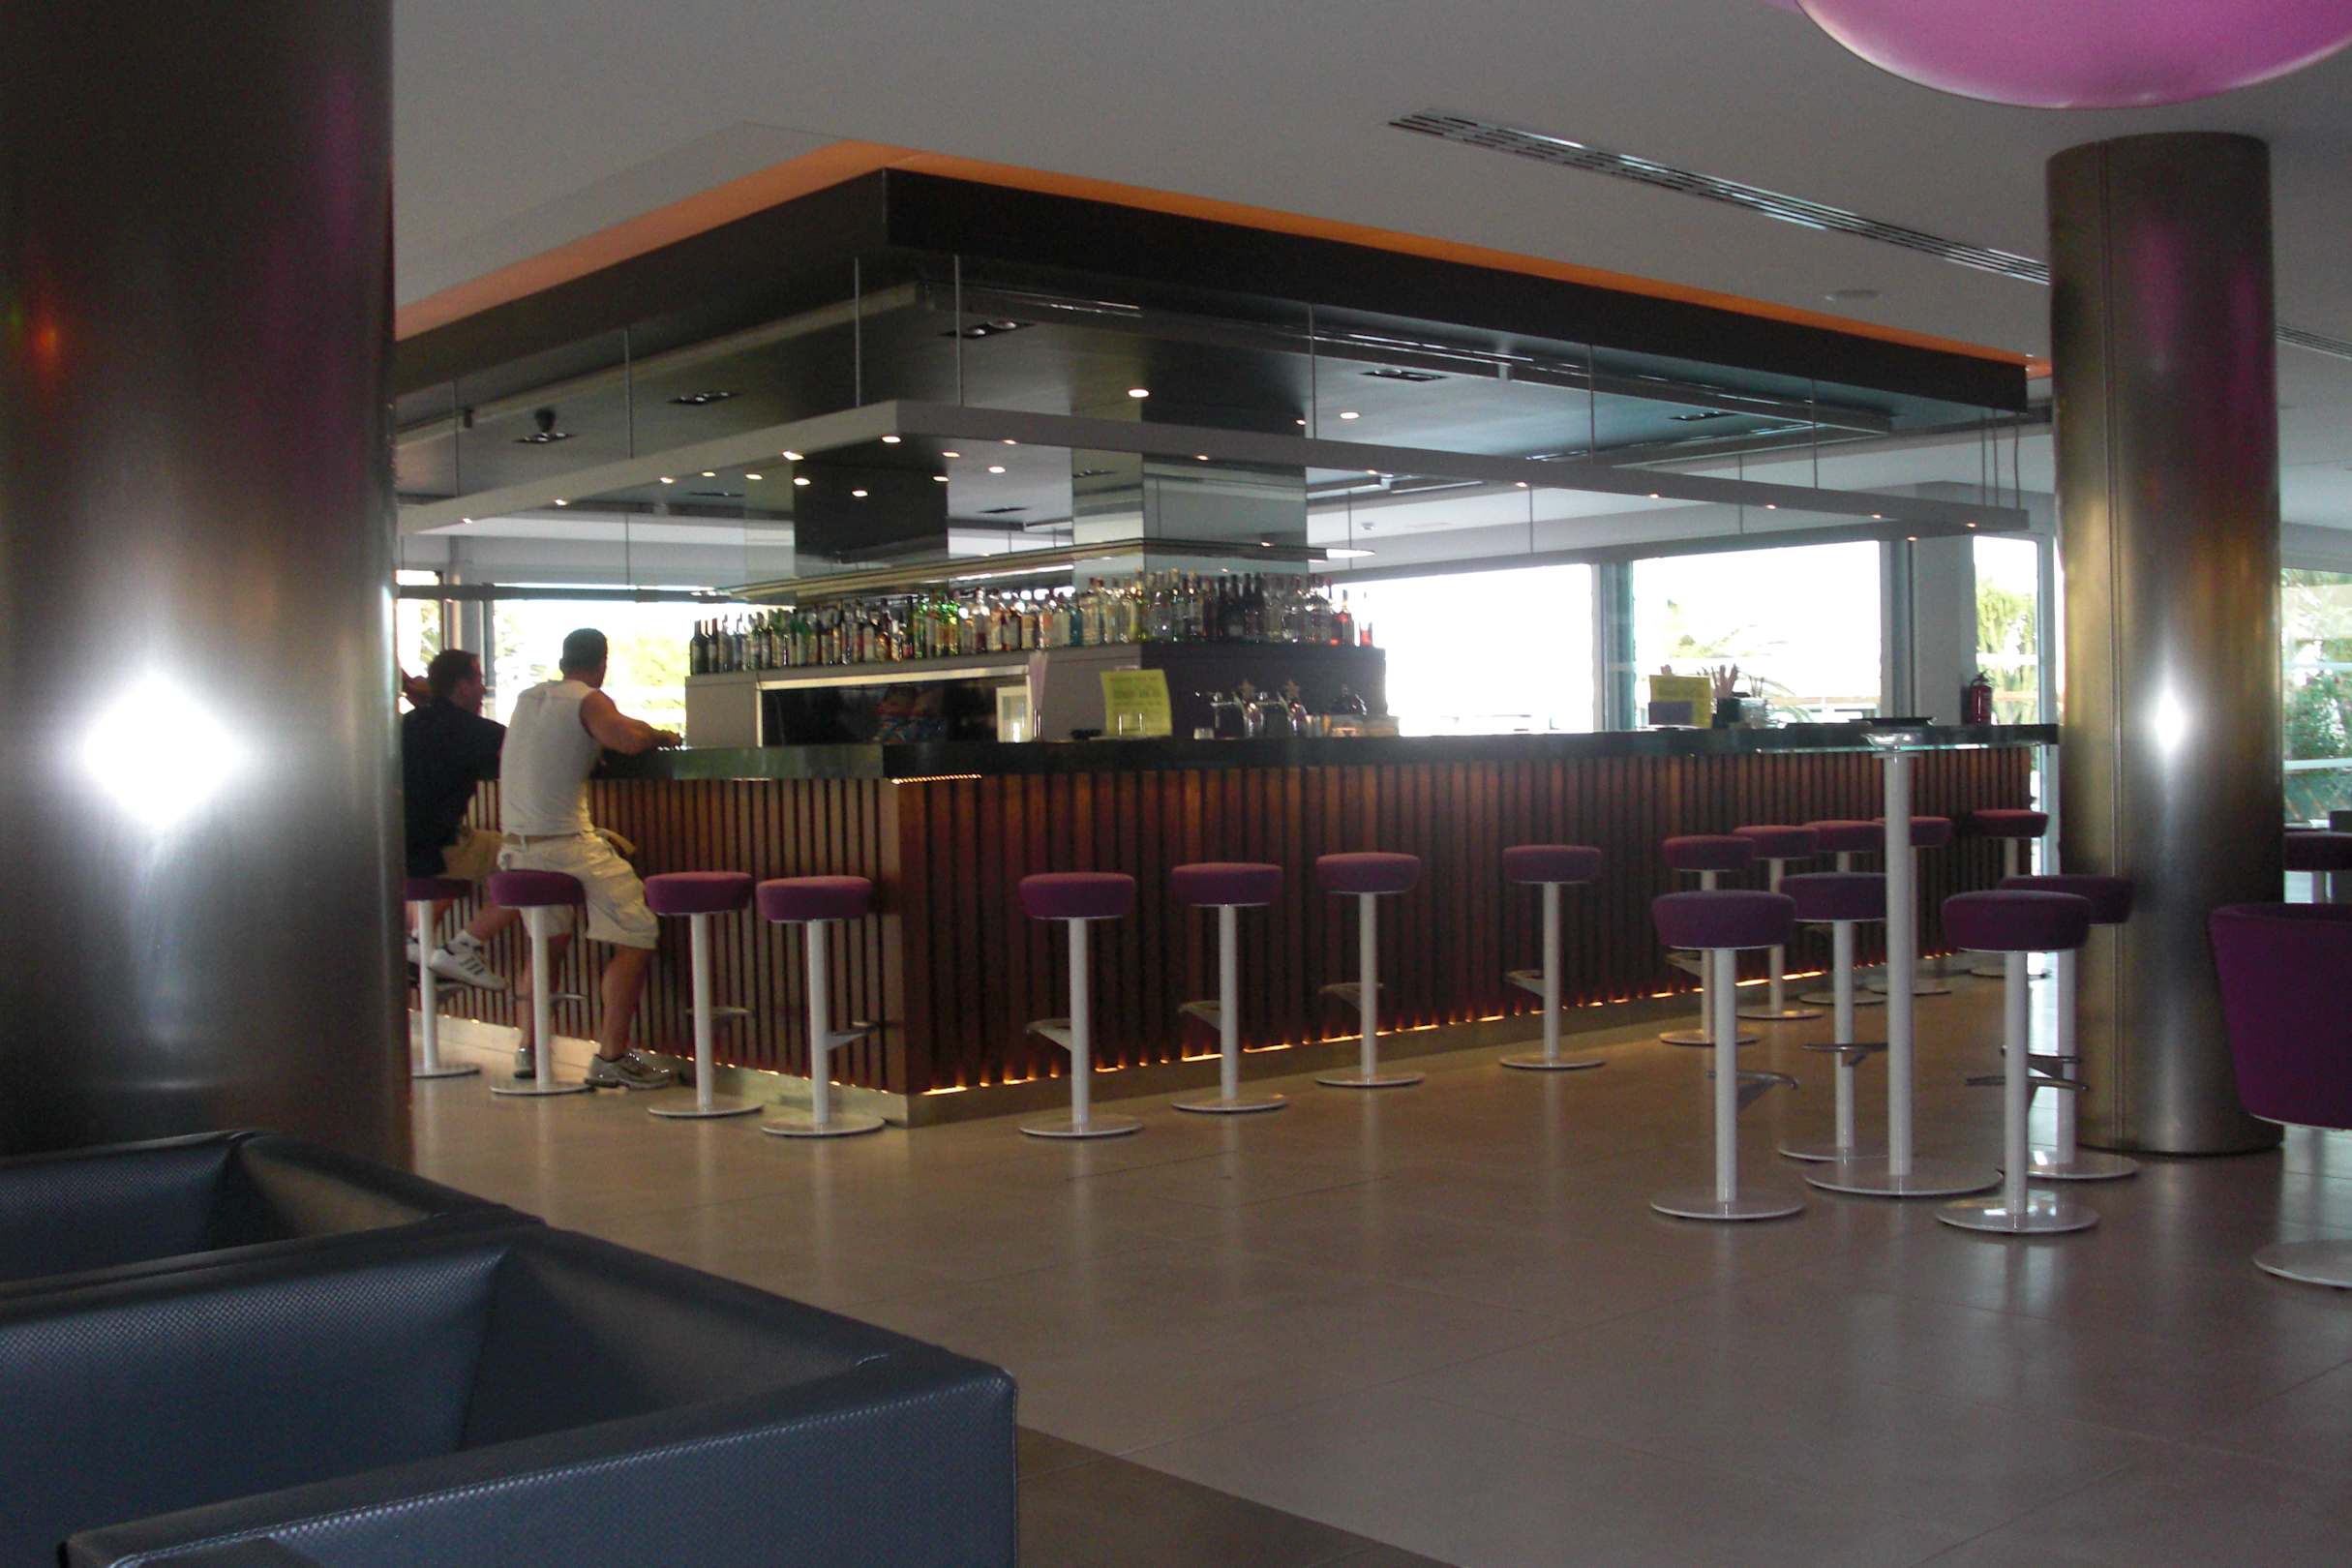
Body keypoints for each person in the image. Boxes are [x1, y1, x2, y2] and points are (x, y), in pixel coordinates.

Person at [498, 627, 681, 1088]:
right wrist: (660, 733)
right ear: (603, 663)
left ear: (563, 661)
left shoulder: (528, 698)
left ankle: (529, 1050)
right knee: (638, 931)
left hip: (516, 850)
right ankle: (611, 1056)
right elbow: (628, 740)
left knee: (546, 942)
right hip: (566, 847)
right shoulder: (588, 699)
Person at [401, 648, 518, 987]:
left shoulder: (406, 724)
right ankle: (461, 947)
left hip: (396, 850)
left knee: (469, 846)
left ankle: (416, 943)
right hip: (439, 848)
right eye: (478, 680)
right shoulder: (476, 731)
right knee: (534, 860)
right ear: (463, 687)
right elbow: (525, 757)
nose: (483, 689)